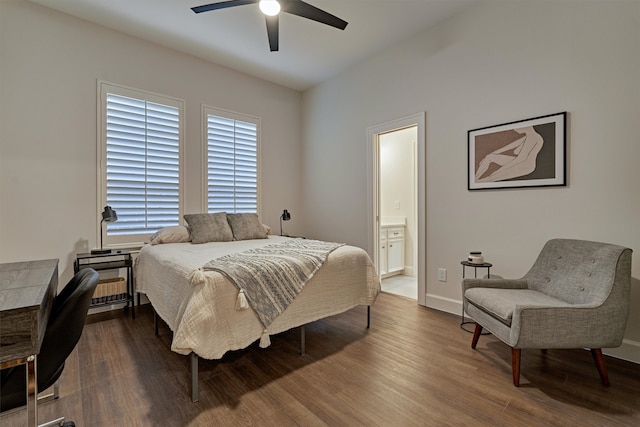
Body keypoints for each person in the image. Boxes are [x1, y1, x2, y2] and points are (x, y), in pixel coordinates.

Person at [475, 126, 543, 183]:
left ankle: (476, 182)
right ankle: (475, 178)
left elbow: (521, 158)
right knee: (489, 157)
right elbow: (509, 146)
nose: (514, 129)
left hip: (525, 165)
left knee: (492, 177)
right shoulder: (528, 136)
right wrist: (491, 153)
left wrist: (500, 170)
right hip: (519, 161)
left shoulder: (533, 137)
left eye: (516, 127)